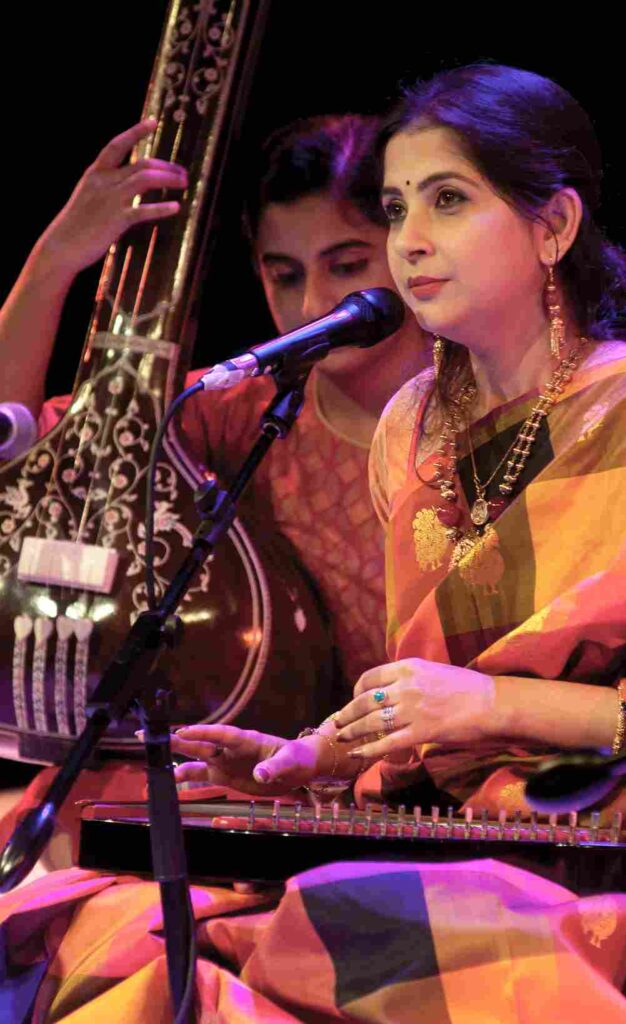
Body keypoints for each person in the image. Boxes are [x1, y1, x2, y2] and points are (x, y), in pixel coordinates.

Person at [1, 64, 626, 1024]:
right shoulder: (414, 427)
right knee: (125, 916)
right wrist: (318, 760)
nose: (410, 243)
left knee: (350, 930)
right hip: (452, 829)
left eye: (449, 201)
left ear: (553, 227)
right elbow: (433, 706)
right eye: (395, 208)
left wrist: (490, 702)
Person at [0, 113, 431, 863]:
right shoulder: (236, 410)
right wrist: (54, 262)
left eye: (347, 263)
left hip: (441, 795)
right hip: (270, 799)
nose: (311, 306)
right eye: (285, 273)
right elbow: (16, 450)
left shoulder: (490, 405)